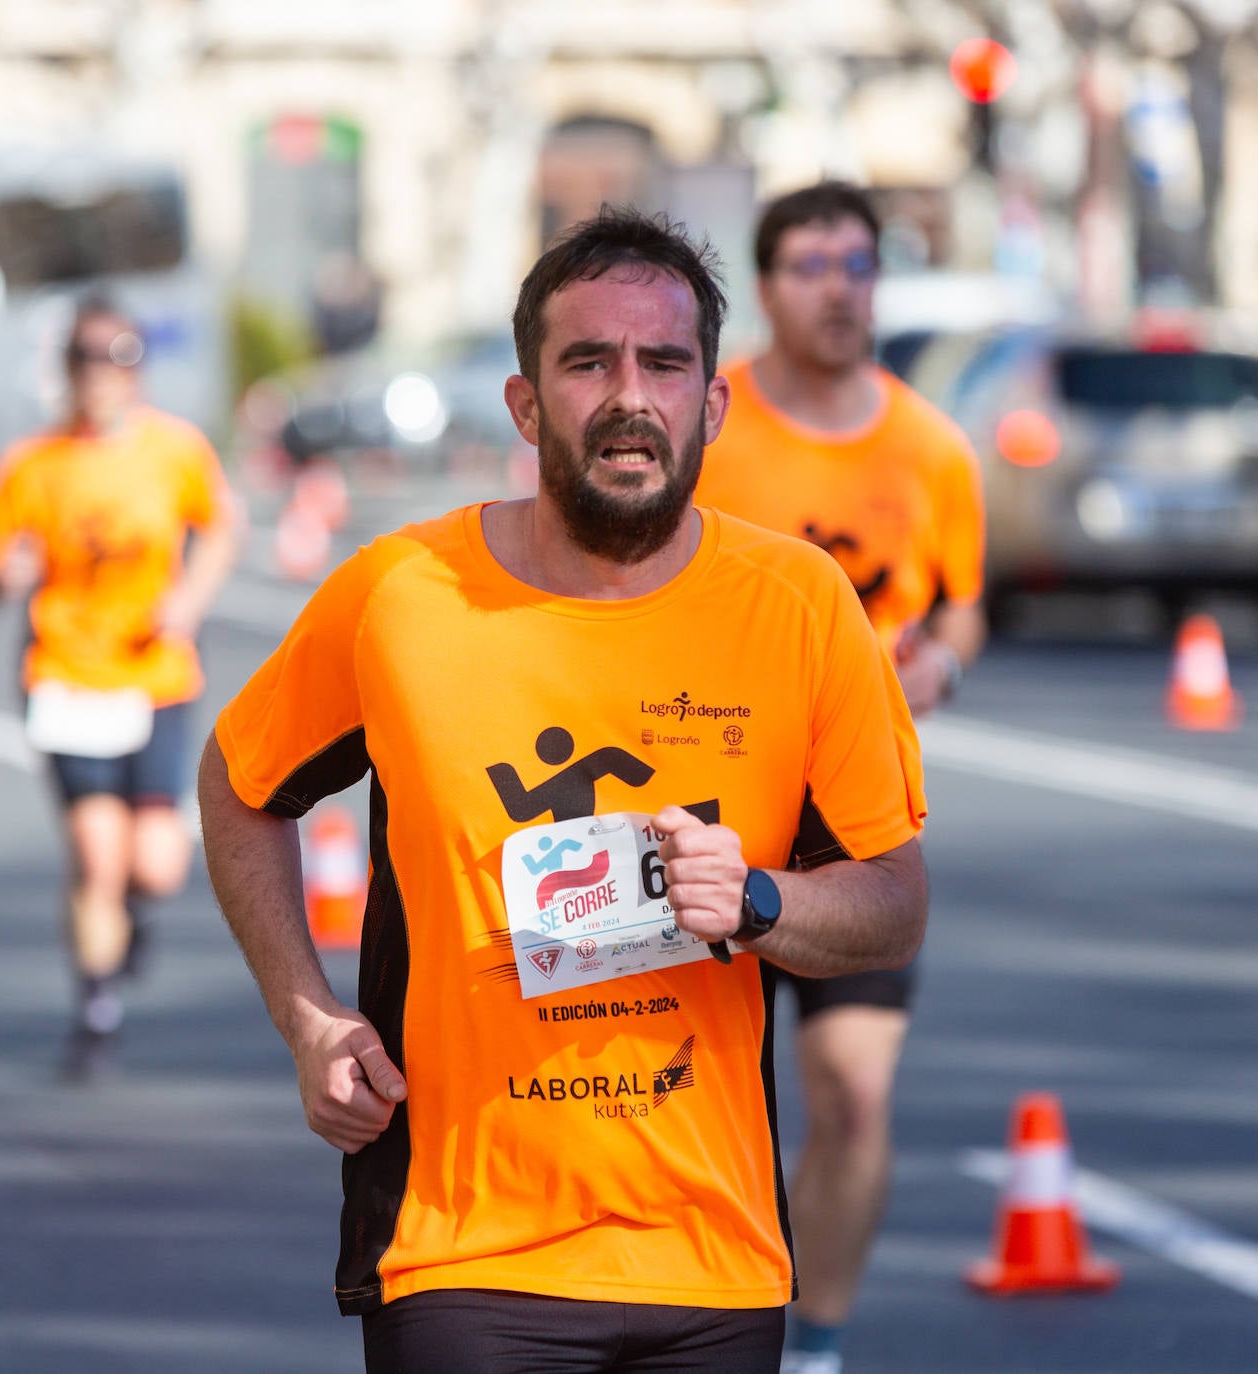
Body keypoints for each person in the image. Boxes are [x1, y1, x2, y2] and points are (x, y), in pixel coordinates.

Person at [198, 207, 929, 1374]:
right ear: (528, 404)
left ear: (713, 402)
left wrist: (759, 900)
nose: (629, 394)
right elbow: (241, 784)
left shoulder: (799, 603)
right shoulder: (401, 596)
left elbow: (893, 902)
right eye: (588, 361)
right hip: (465, 1251)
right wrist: (309, 1017)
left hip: (714, 1258)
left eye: (665, 363)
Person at [695, 180, 986, 1374]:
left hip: (855, 822)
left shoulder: (930, 446)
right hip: (711, 809)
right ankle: (700, 1322)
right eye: (811, 264)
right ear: (766, 288)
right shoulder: (713, 423)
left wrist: (937, 676)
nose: (838, 287)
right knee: (698, 1098)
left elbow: (963, 608)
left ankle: (815, 1347)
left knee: (853, 1097)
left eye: (857, 265)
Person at [0, 296, 238, 1080]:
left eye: (117, 356)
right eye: (86, 357)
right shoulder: (34, 463)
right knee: (97, 853)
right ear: (66, 369)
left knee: (155, 864)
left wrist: (188, 599)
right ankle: (96, 1006)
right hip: (66, 676)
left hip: (154, 676)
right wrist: (1, 575)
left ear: (137, 367)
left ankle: (126, 919)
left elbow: (219, 526)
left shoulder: (175, 450)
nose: (101, 373)